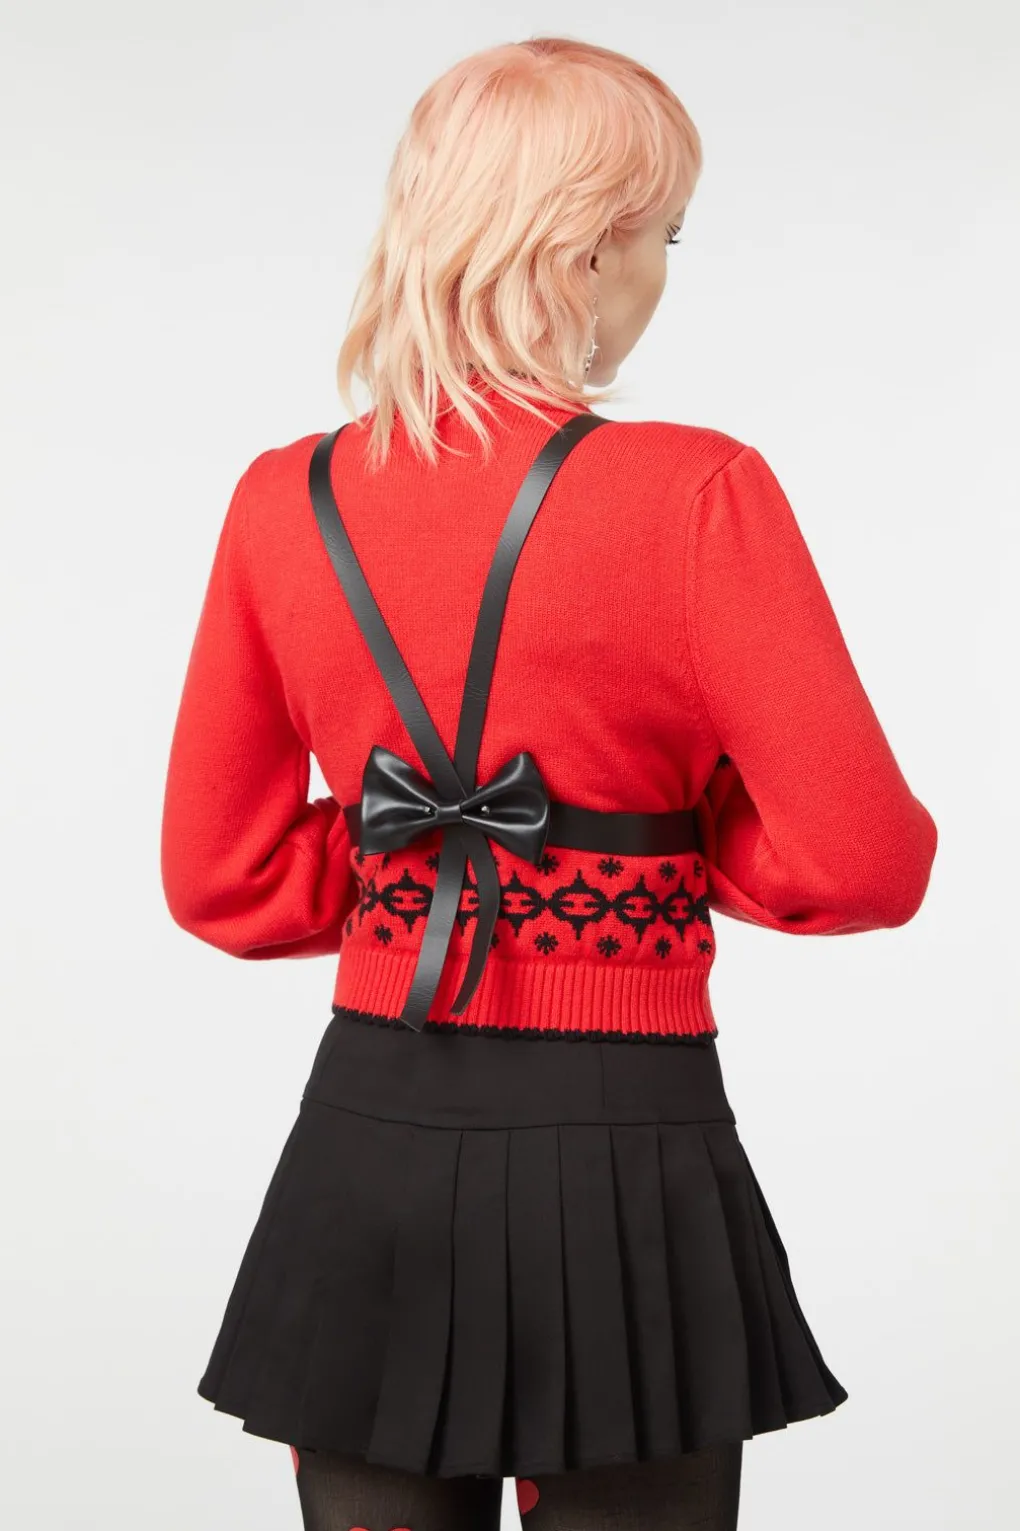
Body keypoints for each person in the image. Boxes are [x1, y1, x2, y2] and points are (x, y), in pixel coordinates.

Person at [160, 34, 938, 1531]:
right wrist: (663, 839)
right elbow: (862, 856)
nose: (661, 275)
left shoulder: (281, 500)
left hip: (369, 1138)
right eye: (666, 236)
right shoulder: (697, 491)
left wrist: (410, 867)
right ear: (585, 248)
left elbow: (221, 875)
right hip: (625, 1142)